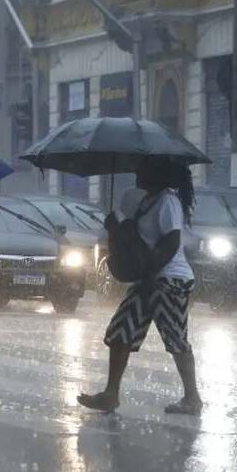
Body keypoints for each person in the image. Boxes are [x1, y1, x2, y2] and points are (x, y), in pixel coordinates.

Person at [78, 159, 203, 416]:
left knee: (175, 338)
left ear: (157, 173)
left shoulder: (167, 201)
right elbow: (137, 241)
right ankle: (111, 394)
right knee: (121, 332)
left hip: (168, 280)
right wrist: (115, 228)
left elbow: (171, 241)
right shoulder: (148, 201)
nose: (137, 172)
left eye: (143, 168)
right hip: (147, 280)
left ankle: (192, 399)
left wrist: (150, 274)